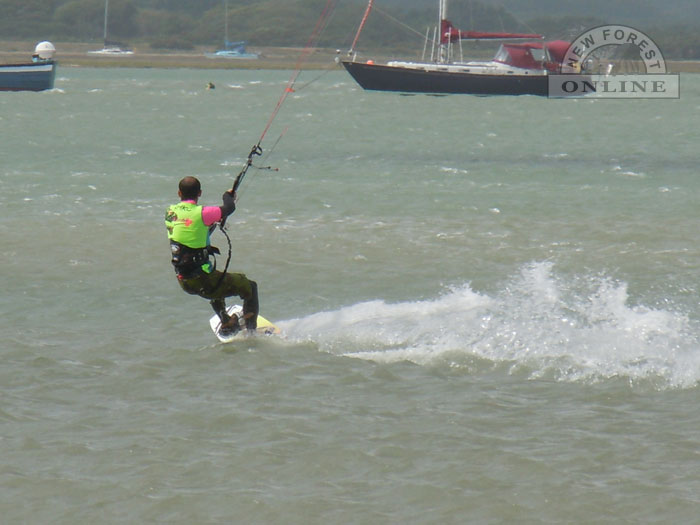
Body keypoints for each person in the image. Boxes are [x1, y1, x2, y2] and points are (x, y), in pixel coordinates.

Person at [165, 176, 258, 335]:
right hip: (204, 281)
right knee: (250, 286)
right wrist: (227, 196)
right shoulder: (203, 213)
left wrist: (209, 226)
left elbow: (189, 232)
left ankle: (226, 321)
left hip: (184, 280)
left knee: (216, 281)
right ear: (199, 193)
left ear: (179, 193)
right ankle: (251, 333)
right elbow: (229, 207)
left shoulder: (170, 212)